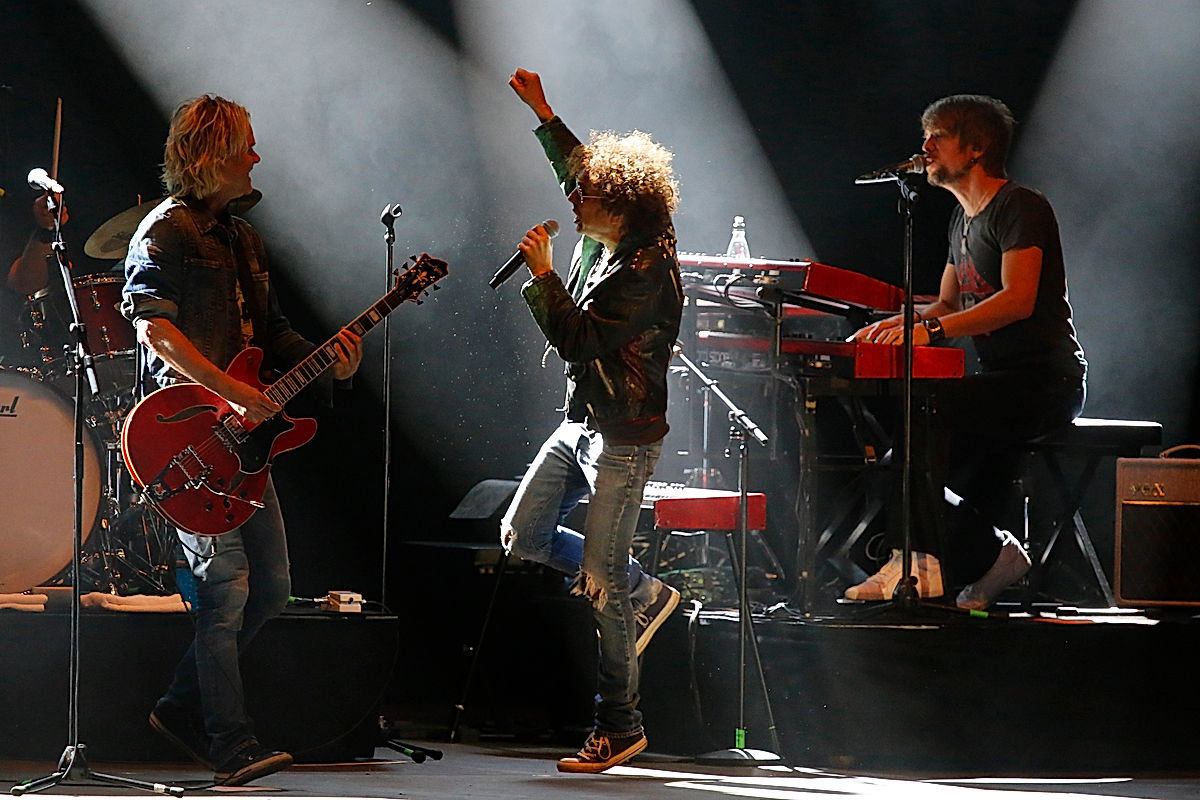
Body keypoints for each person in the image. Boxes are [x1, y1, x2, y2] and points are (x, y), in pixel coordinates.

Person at [120, 95, 363, 786]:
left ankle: (178, 707)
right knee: (225, 589)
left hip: (244, 442)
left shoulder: (243, 238)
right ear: (211, 157)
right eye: (246, 147)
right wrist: (224, 389)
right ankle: (231, 742)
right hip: (184, 440)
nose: (257, 157)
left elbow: (273, 333)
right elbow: (152, 329)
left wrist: (329, 355)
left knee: (276, 588)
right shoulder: (164, 232)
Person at [501, 68, 683, 773]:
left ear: (623, 208)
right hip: (583, 421)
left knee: (598, 581)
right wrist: (545, 111)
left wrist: (544, 276)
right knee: (523, 535)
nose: (573, 198)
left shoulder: (644, 272)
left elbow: (577, 339)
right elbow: (579, 165)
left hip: (623, 437)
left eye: (587, 196)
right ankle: (644, 590)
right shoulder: (610, 229)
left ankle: (621, 725)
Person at [847, 94, 1087, 610]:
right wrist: (900, 323)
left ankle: (923, 563)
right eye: (925, 135)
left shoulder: (1020, 206)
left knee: (925, 416)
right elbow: (949, 303)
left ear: (975, 148)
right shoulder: (961, 222)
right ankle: (966, 557)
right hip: (1002, 380)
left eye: (939, 136)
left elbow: (1017, 300)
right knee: (896, 464)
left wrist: (930, 333)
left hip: (1046, 382)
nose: (925, 147)